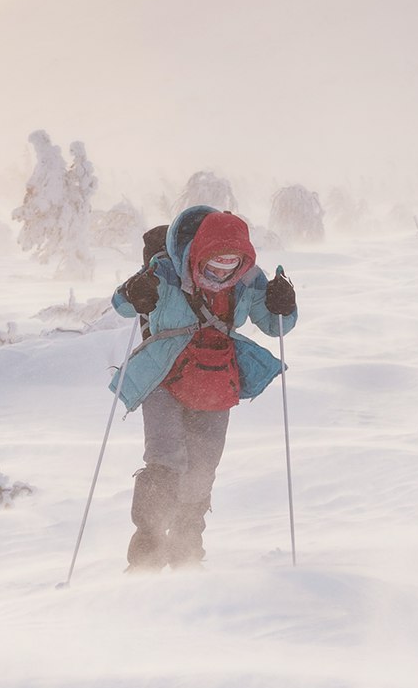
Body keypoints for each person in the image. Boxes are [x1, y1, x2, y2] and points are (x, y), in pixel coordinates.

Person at [108, 204, 297, 570]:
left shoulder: (248, 279)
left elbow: (275, 326)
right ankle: (146, 553)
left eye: (231, 265)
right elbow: (122, 305)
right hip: (165, 377)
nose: (222, 273)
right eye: (214, 264)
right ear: (198, 254)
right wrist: (136, 291)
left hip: (216, 382)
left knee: (201, 471)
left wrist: (283, 304)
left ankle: (186, 554)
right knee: (165, 462)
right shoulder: (164, 270)